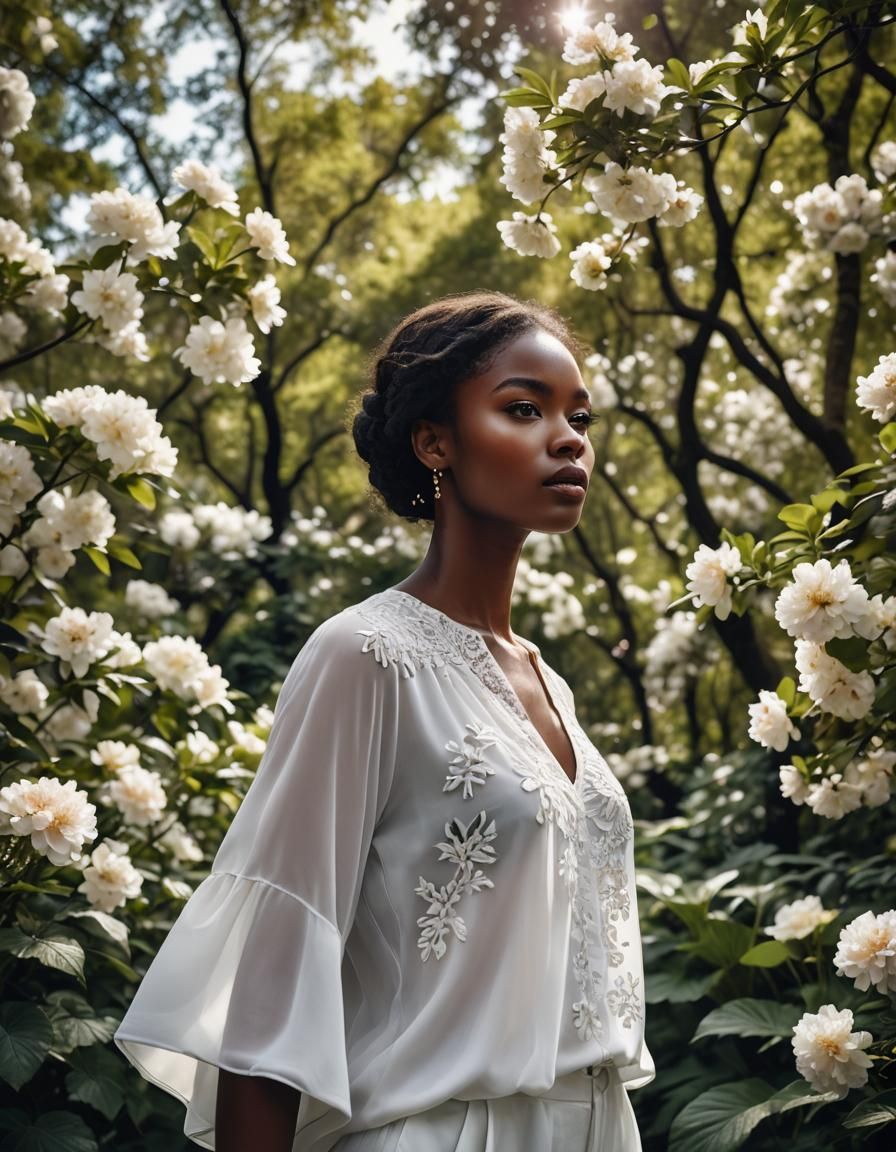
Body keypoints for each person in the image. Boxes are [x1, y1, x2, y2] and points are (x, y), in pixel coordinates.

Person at [114, 290, 655, 1151]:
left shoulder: (552, 683)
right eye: (525, 408)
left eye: (578, 415)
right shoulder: (363, 655)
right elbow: (278, 967)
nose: (569, 438)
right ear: (434, 441)